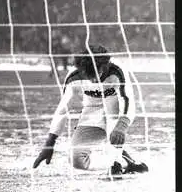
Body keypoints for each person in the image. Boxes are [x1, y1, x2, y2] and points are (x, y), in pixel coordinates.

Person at [33, 45, 148, 175]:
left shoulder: (117, 71)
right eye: (89, 76)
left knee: (113, 134)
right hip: (92, 109)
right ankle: (126, 162)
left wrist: (121, 126)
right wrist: (50, 143)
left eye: (97, 74)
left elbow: (128, 101)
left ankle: (115, 163)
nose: (93, 80)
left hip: (115, 108)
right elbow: (62, 110)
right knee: (76, 160)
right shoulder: (74, 76)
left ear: (105, 66)